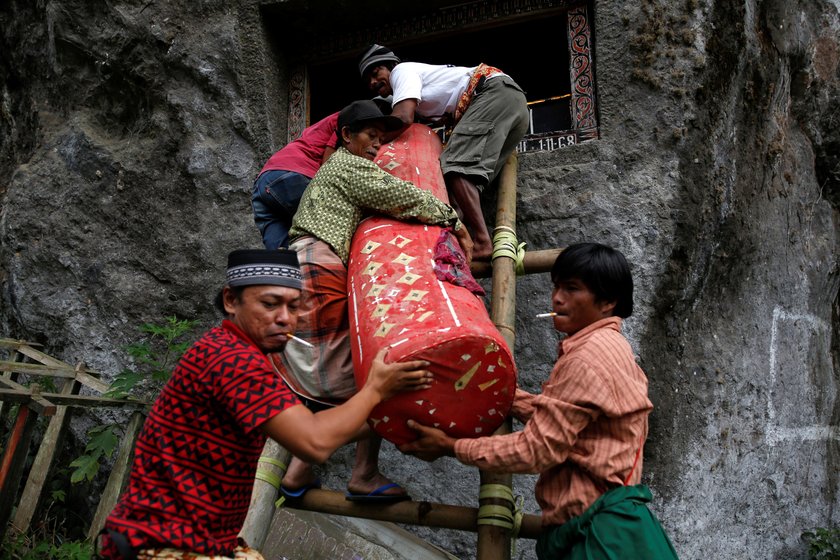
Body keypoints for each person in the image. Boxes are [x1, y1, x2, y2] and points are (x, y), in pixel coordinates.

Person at [98, 248, 433, 560]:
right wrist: (375, 390)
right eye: (271, 304)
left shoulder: (235, 352)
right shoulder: (232, 361)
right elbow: (314, 441)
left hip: (196, 541)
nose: (286, 318)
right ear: (231, 300)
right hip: (159, 543)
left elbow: (310, 429)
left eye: (294, 305)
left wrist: (389, 422)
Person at [400, 243, 679, 559]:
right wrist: (500, 392)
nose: (557, 298)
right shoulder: (611, 346)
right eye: (557, 287)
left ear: (608, 302)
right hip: (605, 528)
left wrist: (451, 445)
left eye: (572, 289)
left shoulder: (587, 357)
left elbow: (537, 449)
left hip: (598, 538)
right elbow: (565, 424)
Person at [277, 99, 473, 503]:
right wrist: (452, 220)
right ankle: (359, 473)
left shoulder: (331, 172)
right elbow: (399, 194)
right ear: (346, 136)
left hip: (306, 269)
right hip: (319, 269)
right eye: (369, 135)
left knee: (352, 378)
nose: (376, 144)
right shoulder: (348, 166)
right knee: (375, 382)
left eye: (382, 138)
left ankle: (300, 471)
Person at [358, 44, 530, 261]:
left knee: (454, 168)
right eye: (368, 82)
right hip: (513, 104)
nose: (373, 82)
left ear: (391, 66)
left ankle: (482, 242)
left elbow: (403, 118)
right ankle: (460, 241)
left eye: (376, 73)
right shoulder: (416, 95)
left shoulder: (402, 72)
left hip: (493, 93)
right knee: (465, 184)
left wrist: (371, 144)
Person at [251, 111, 339, 250]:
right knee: (336, 225)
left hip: (264, 182)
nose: (376, 143)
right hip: (292, 174)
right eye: (372, 136)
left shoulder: (320, 128)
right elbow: (328, 164)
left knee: (283, 261)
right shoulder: (355, 116)